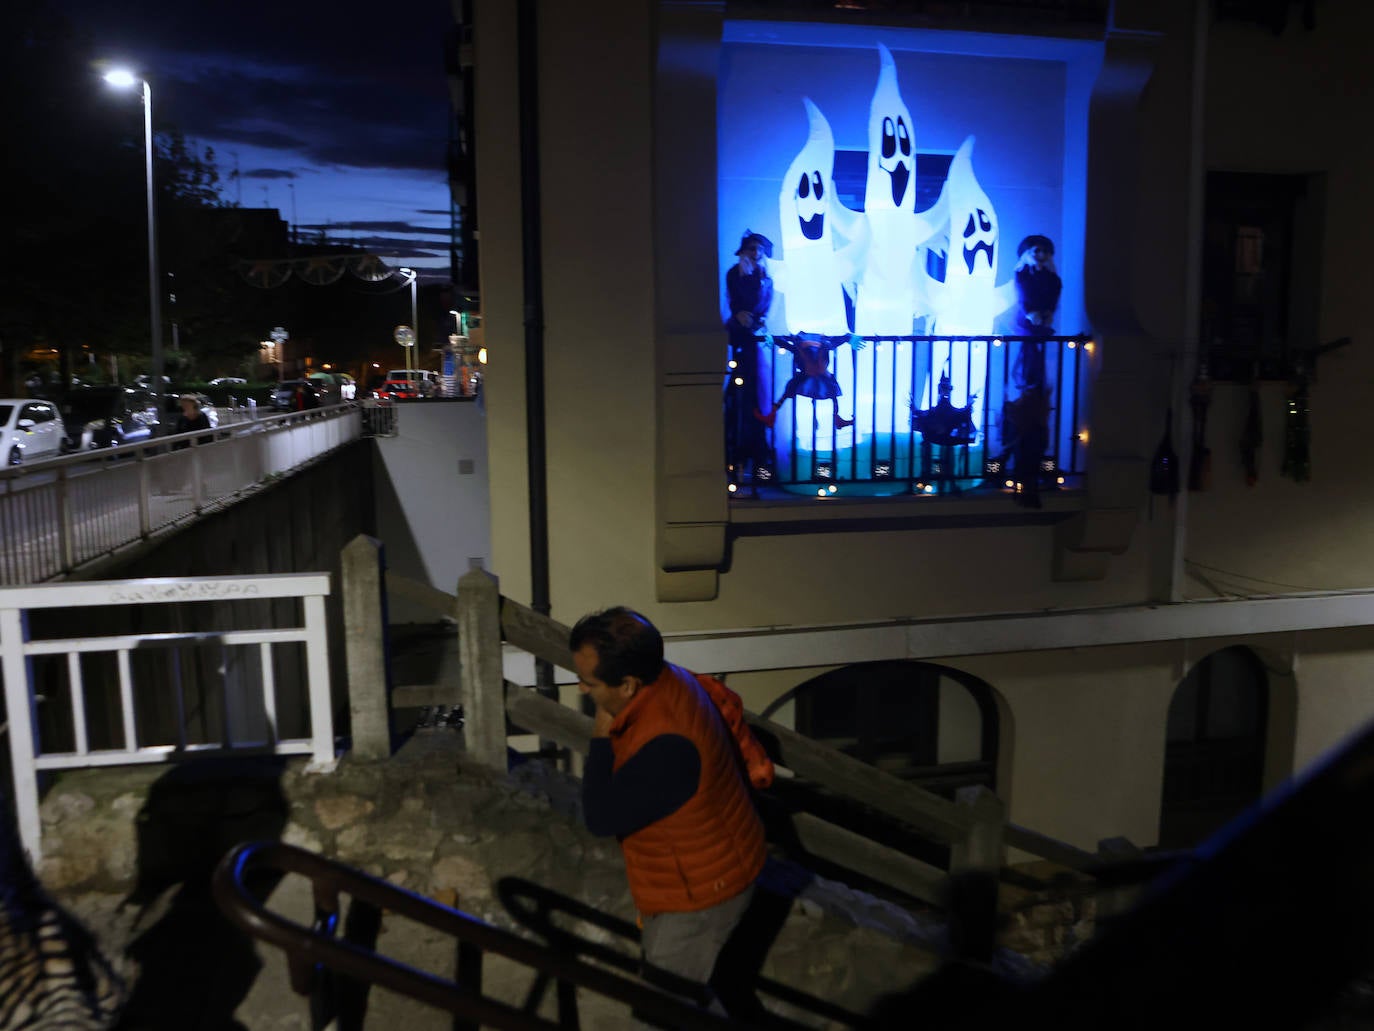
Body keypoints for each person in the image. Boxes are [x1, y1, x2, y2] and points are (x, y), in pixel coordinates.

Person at [572, 607, 773, 1017]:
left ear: (627, 684)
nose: (581, 690)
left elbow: (599, 814)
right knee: (690, 997)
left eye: (589, 682)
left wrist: (601, 730)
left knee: (660, 1010)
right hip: (711, 864)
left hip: (700, 891)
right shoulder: (663, 676)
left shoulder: (667, 744)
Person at [724, 230, 775, 483]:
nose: (756, 254)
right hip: (741, 338)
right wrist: (740, 317)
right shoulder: (736, 274)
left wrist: (761, 320)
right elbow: (735, 303)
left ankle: (759, 461)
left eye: (759, 250)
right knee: (741, 395)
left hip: (756, 337)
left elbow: (765, 303)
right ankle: (739, 460)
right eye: (752, 249)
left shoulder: (765, 277)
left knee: (759, 394)